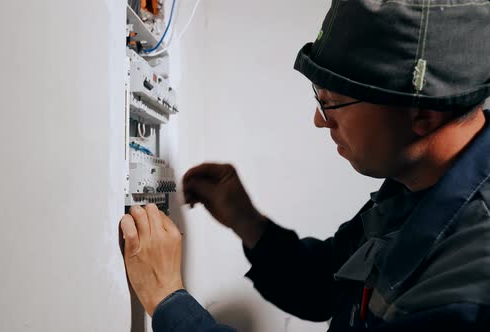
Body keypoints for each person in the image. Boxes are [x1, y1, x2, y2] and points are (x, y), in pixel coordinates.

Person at [119, 0, 490, 331]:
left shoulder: (467, 290)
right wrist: (247, 221)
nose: (318, 119)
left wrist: (168, 300)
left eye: (332, 102)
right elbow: (326, 287)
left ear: (423, 113)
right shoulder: (413, 187)